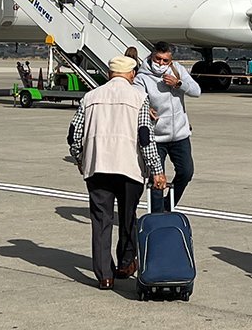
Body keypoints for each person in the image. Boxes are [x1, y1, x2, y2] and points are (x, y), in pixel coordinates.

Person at [68, 55, 166, 289]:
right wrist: (157, 170)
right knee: (127, 216)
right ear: (131, 74)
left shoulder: (90, 97)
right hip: (128, 166)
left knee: (101, 220)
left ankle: (104, 275)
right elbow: (145, 137)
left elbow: (74, 134)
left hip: (97, 166)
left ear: (110, 73)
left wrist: (80, 159)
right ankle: (124, 263)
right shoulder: (139, 97)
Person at [134, 41, 201, 212]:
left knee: (186, 172)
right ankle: (157, 216)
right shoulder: (142, 77)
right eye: (158, 59)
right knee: (157, 179)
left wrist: (179, 84)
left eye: (166, 61)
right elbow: (134, 98)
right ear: (152, 56)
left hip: (179, 134)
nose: (161, 64)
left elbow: (196, 91)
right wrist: (145, 108)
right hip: (156, 137)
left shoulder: (177, 69)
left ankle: (167, 207)